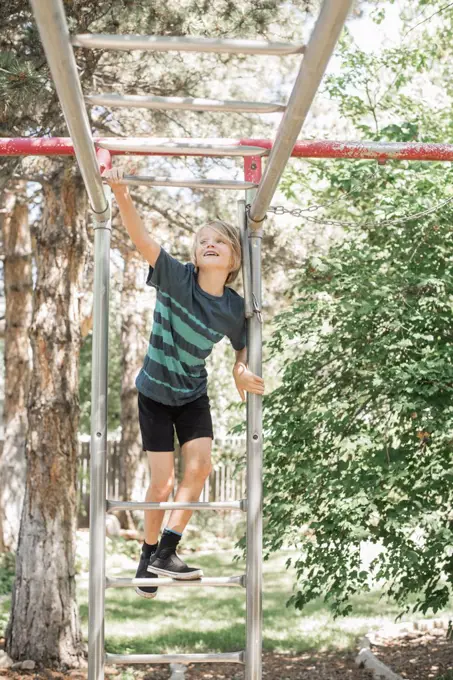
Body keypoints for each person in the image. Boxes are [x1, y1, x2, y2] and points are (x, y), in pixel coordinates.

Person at [103, 167, 265, 599]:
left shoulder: (234, 309)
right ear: (195, 255)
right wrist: (121, 192)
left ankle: (167, 551)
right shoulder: (177, 279)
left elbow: (241, 346)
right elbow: (142, 241)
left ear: (233, 260)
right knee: (161, 483)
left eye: (220, 242)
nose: (209, 245)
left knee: (200, 468)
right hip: (155, 392)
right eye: (202, 241)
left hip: (193, 393)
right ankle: (149, 553)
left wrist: (239, 369)